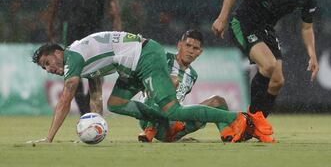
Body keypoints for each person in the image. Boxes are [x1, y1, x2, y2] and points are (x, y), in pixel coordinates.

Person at [30, 31, 249, 143]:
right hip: (131, 64)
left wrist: (49, 138)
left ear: (58, 53)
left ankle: (235, 119)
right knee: (115, 103)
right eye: (44, 68)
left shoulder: (74, 58)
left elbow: (65, 100)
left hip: (143, 56)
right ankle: (159, 122)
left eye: (47, 63)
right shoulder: (82, 58)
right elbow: (96, 94)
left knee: (173, 110)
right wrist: (96, 126)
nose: (49, 69)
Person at [212, 0, 320, 142]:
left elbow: (307, 27)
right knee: (269, 66)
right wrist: (222, 17)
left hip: (266, 29)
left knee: (277, 81)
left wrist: (312, 55)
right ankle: (253, 119)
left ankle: (251, 129)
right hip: (244, 23)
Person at [46, 0, 122, 115]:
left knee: (97, 73)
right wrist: (50, 25)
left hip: (97, 27)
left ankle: (91, 111)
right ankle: (85, 115)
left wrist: (116, 21)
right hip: (72, 26)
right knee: (74, 73)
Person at [137, 30, 238, 142]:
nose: (190, 51)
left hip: (174, 122)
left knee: (218, 101)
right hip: (148, 114)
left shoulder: (193, 75)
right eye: (188, 45)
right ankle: (150, 129)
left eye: (195, 48)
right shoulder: (163, 58)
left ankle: (229, 135)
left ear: (200, 52)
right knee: (171, 82)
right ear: (179, 45)